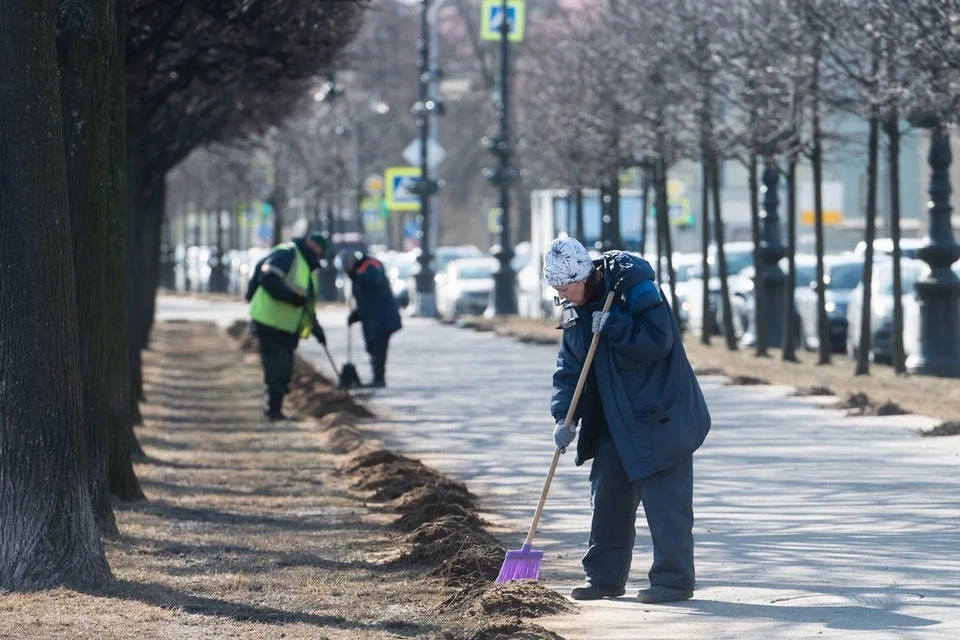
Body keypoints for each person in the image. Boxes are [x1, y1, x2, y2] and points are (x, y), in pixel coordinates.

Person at [544, 237, 711, 605]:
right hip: (613, 421)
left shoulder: (634, 288)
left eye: (565, 288)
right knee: (608, 498)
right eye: (556, 291)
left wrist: (616, 324)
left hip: (661, 416)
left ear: (584, 276)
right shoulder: (574, 311)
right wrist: (563, 417)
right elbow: (570, 368)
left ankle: (673, 581)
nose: (562, 297)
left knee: (666, 504)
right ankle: (603, 578)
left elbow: (658, 342)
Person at [247, 232, 328, 421]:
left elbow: (305, 304)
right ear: (313, 246)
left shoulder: (306, 266)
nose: (319, 255)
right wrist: (291, 297)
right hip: (269, 321)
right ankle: (273, 412)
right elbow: (268, 278)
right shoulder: (288, 254)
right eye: (319, 250)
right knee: (277, 367)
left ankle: (275, 409)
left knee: (284, 369)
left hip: (286, 326)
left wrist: (317, 330)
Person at [345, 252, 402, 387]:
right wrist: (356, 315)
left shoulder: (370, 265)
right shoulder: (358, 272)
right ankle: (377, 377)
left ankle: (379, 379)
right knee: (373, 347)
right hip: (374, 318)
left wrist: (357, 277)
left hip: (383, 317)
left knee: (378, 347)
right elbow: (366, 301)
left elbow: (375, 281)